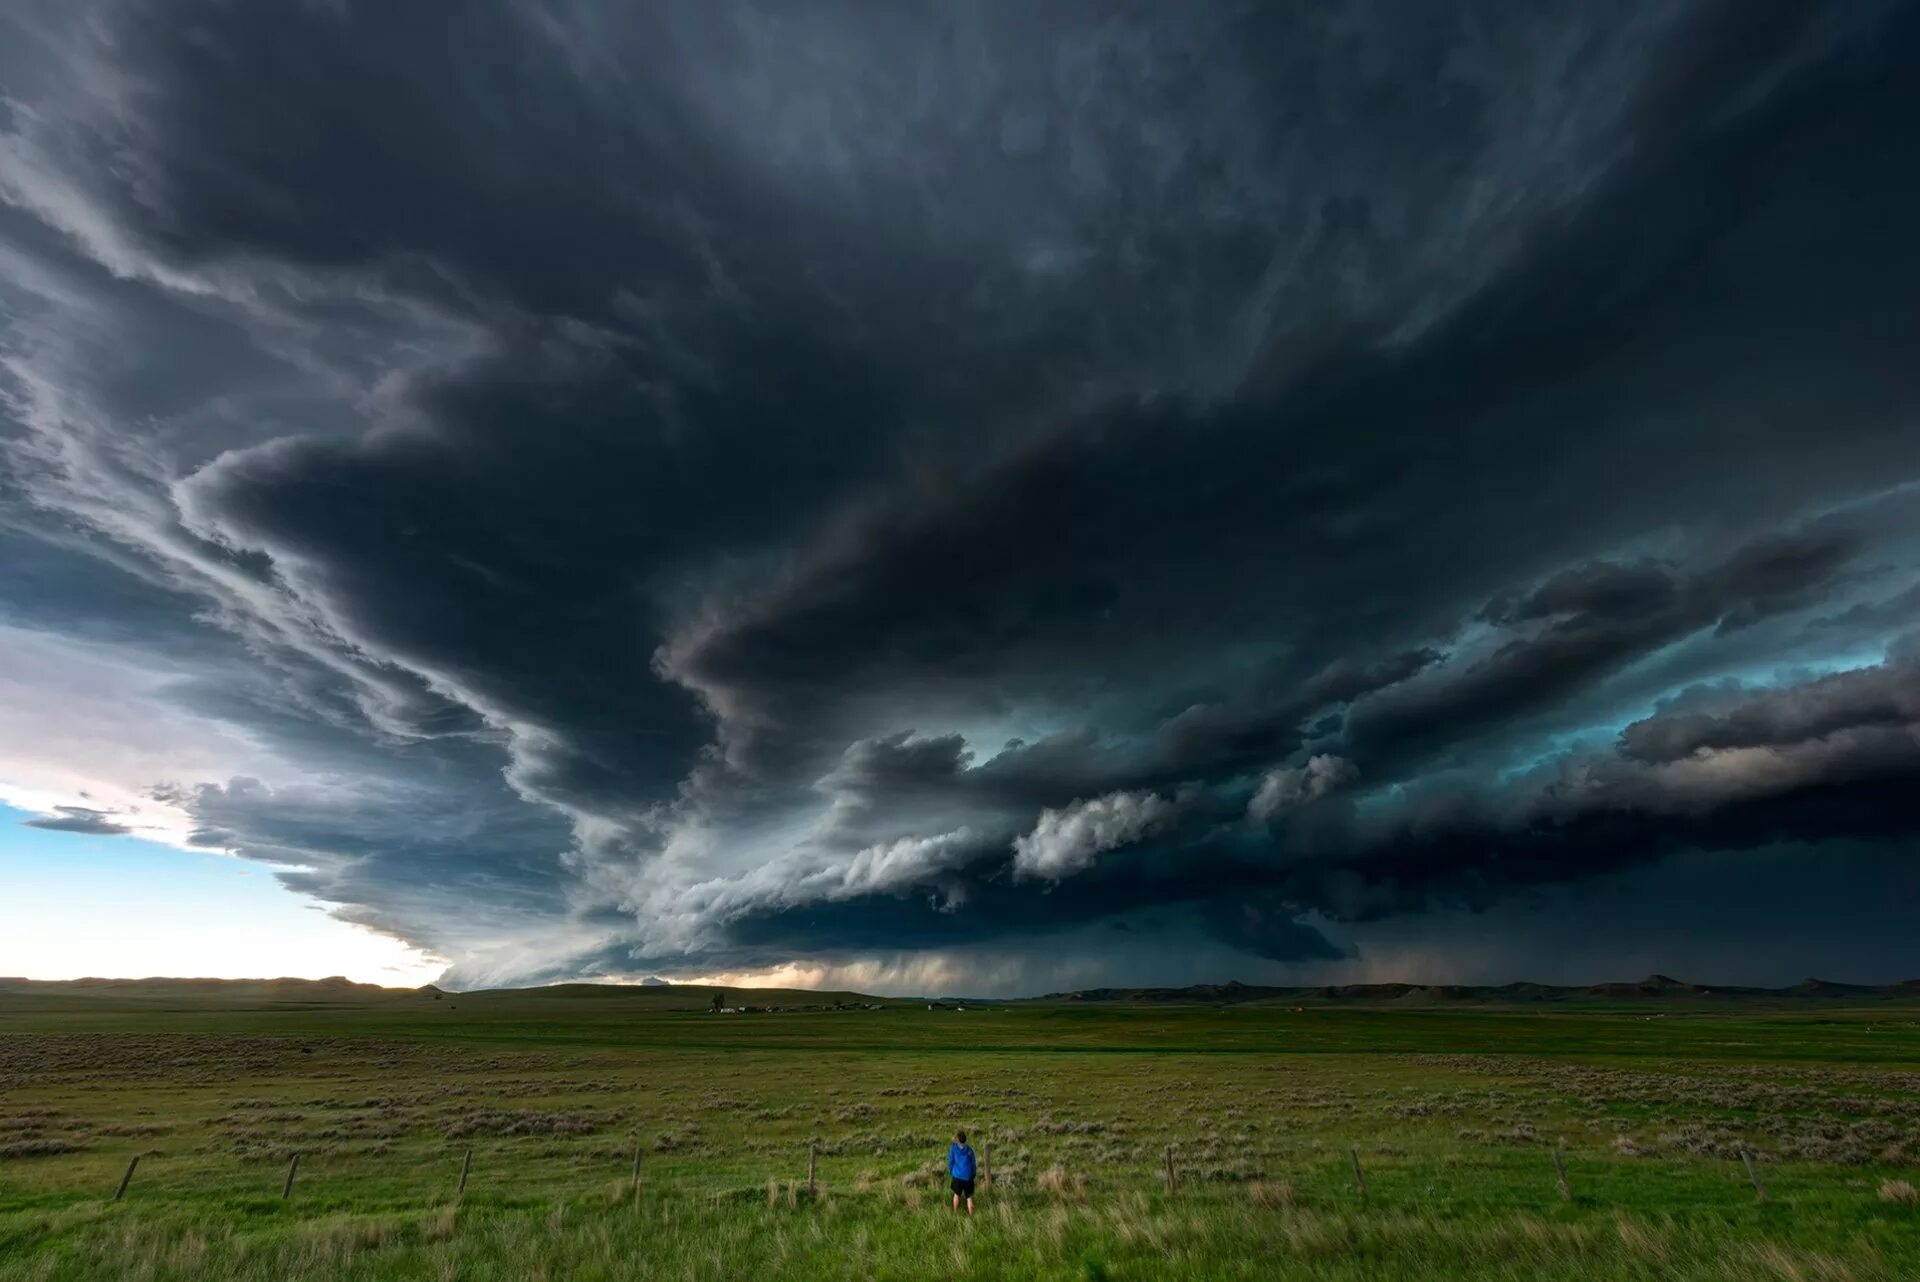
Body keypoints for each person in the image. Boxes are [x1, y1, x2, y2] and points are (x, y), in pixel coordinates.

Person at [948, 1128, 977, 1215]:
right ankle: (972, 1216)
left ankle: (955, 1213)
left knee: (956, 1195)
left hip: (957, 1176)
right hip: (968, 1176)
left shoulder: (953, 1148)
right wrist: (973, 1174)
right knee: (969, 1197)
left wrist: (951, 1171)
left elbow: (950, 1161)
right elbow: (973, 1164)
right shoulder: (969, 1150)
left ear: (957, 1140)